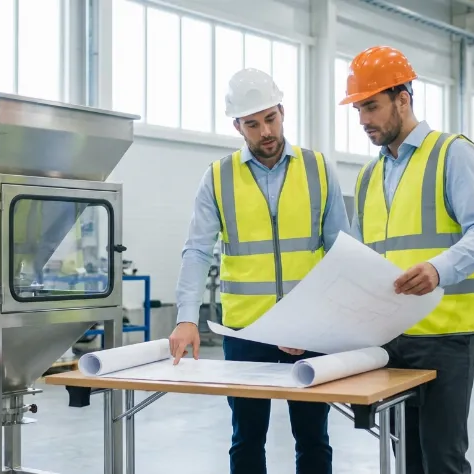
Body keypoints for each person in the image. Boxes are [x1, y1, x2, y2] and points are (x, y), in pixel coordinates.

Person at [168, 67, 351, 474]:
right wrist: (186, 319)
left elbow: (342, 253)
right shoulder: (217, 178)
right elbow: (197, 251)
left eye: (271, 118)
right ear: (238, 126)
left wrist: (335, 320)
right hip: (246, 332)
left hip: (308, 330)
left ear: (282, 111)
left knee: (313, 437)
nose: (265, 131)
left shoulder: (318, 169)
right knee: (247, 436)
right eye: (253, 123)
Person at [340, 45, 474, 474]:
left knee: (442, 459)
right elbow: (358, 259)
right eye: (358, 110)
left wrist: (437, 269)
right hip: (389, 338)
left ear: (403, 99)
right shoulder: (368, 175)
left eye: (371, 107)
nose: (363, 121)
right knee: (406, 455)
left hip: (445, 335)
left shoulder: (452, 153)